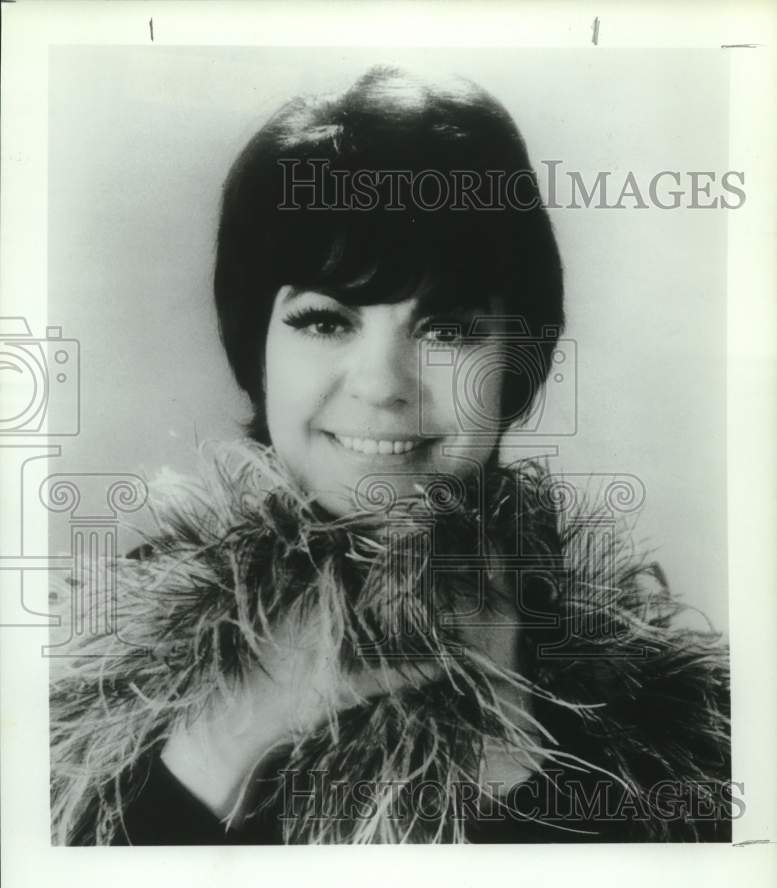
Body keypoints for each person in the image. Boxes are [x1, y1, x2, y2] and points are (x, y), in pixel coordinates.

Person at [50, 65, 731, 846]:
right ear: (256, 348)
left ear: (516, 360)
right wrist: (227, 739)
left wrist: (509, 734)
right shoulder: (94, 673)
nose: (381, 385)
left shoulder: (667, 711)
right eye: (325, 321)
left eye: (447, 329)